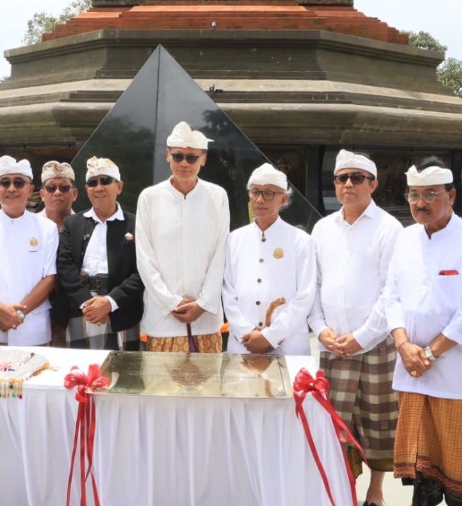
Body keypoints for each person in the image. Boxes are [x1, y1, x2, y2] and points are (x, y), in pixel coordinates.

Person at [386, 158, 462, 506]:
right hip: (412, 369)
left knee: (458, 469)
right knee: (421, 469)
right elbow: (391, 297)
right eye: (414, 194)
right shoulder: (405, 238)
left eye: (430, 194)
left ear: (451, 195)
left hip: (455, 372)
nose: (420, 202)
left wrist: (429, 353)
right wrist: (403, 346)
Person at [306, 149, 403, 506]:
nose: (348, 184)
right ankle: (341, 489)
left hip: (375, 346)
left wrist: (362, 336)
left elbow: (391, 293)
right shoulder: (322, 228)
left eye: (356, 178)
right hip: (334, 347)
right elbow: (312, 288)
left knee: (377, 423)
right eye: (341, 178)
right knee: (335, 425)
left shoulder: (390, 229)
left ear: (373, 184)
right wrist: (320, 329)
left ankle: (376, 492)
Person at [136, 121, 230, 353]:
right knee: (162, 388)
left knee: (207, 387)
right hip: (163, 318)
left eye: (192, 157)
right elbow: (145, 258)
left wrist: (203, 303)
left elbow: (221, 254)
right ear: (168, 156)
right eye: (178, 157)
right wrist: (171, 302)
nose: (184, 163)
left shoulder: (217, 196)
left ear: (203, 159)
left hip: (205, 320)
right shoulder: (150, 197)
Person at [0, 156, 58, 345]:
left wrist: (19, 313)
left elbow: (50, 278)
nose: (12, 188)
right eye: (5, 183)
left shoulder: (47, 228)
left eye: (19, 182)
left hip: (31, 325)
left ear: (31, 190)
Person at [222, 163, 315, 356]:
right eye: (255, 192)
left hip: (288, 346)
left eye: (268, 193)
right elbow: (227, 291)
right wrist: (245, 332)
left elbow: (305, 296)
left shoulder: (301, 241)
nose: (260, 200)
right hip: (243, 344)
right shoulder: (234, 239)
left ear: (284, 198)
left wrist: (271, 337)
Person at [54, 156, 144, 350]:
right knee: (82, 376)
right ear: (86, 189)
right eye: (92, 183)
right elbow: (65, 266)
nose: (99, 187)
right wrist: (88, 304)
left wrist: (110, 302)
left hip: (122, 309)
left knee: (124, 376)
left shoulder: (137, 224)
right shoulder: (73, 223)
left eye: (105, 181)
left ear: (119, 187)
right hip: (83, 310)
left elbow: (143, 271)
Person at [37, 160, 77, 230]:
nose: (57, 192)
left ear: (74, 194)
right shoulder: (30, 225)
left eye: (64, 187)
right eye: (51, 188)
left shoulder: (84, 226)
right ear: (42, 195)